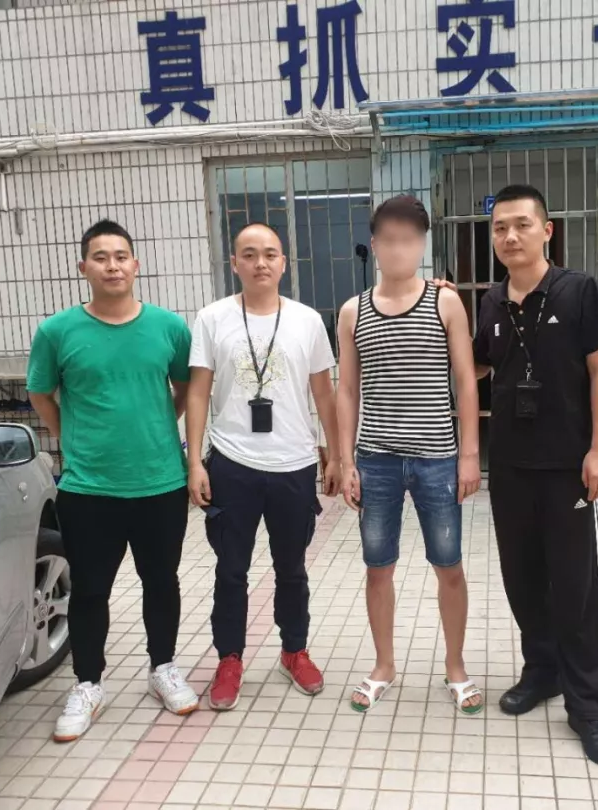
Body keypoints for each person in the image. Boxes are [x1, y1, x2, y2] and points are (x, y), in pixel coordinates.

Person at [443, 184, 598, 765]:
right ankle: (542, 670)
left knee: (574, 587)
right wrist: (439, 309)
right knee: (522, 579)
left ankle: (589, 706)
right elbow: (476, 365)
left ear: (547, 231)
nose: (509, 236)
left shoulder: (579, 290)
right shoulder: (493, 302)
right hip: (512, 467)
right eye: (499, 228)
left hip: (569, 467)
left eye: (521, 225)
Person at [27, 219, 199, 743]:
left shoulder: (169, 328)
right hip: (88, 488)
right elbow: (40, 394)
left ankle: (163, 667)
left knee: (161, 581)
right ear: (84, 267)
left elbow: (186, 389)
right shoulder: (57, 332)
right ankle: (87, 684)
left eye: (121, 256)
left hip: (160, 482)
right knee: (90, 590)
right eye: (100, 257)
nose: (112, 265)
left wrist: (160, 426)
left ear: (136, 265)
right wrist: (70, 436)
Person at [186, 222, 343, 711]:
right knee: (231, 570)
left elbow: (324, 393)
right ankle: (229, 658)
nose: (260, 263)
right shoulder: (212, 318)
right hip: (232, 463)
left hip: (294, 463)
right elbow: (198, 392)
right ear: (234, 263)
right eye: (249, 254)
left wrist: (336, 454)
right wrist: (194, 461)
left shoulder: (307, 321)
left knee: (292, 569)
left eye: (270, 254)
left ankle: (294, 650)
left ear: (284, 263)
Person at [336, 195, 483, 714]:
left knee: (449, 565)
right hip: (375, 460)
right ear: (375, 244)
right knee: (378, 567)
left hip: (437, 458)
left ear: (422, 244)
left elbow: (466, 380)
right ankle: (384, 665)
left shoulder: (445, 302)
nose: (399, 249)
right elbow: (346, 390)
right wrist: (346, 461)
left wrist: (469, 455)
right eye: (389, 240)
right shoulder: (352, 311)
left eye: (410, 240)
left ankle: (456, 666)